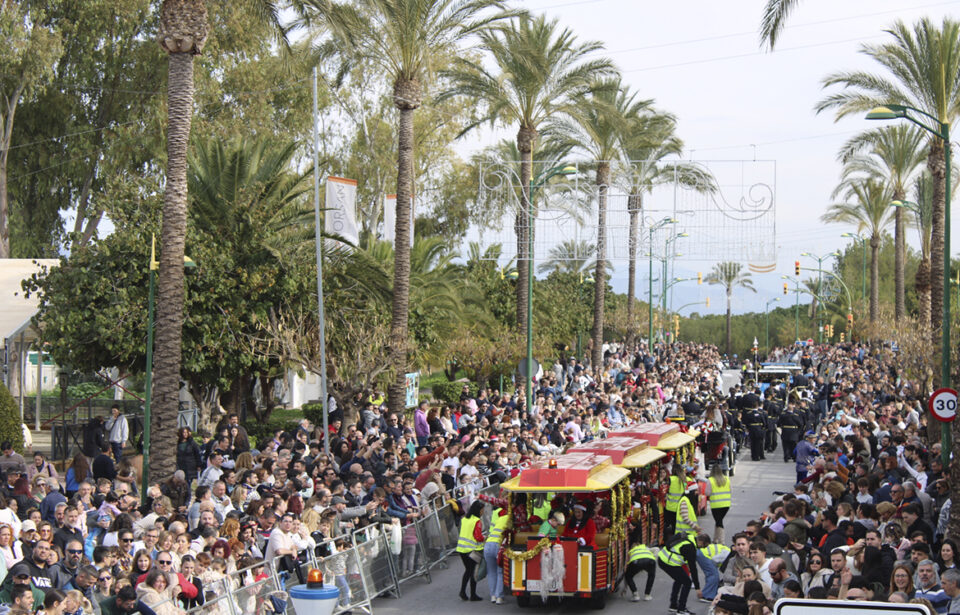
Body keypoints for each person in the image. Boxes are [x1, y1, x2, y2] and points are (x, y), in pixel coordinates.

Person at [658, 531, 700, 615]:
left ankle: (673, 605)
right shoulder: (691, 548)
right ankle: (681, 609)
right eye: (702, 546)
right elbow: (693, 569)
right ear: (701, 542)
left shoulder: (689, 536)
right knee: (687, 582)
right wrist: (697, 587)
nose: (701, 549)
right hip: (668, 562)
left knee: (679, 579)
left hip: (662, 558)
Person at [456, 501, 484, 602]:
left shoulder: (464, 519)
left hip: (462, 549)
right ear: (478, 510)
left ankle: (462, 591)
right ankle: (473, 595)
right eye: (482, 510)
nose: (483, 512)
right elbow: (478, 537)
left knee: (468, 571)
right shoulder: (477, 521)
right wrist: (485, 538)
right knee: (473, 572)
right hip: (472, 550)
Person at [484, 504, 509, 604]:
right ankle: (499, 596)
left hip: (488, 544)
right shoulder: (510, 519)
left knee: (491, 572)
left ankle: (493, 596)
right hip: (498, 545)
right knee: (500, 572)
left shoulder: (500, 518)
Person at [706, 464, 731, 543]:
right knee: (718, 521)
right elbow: (731, 490)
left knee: (719, 522)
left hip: (716, 505)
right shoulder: (726, 479)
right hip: (726, 505)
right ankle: (715, 539)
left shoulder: (710, 480)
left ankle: (722, 541)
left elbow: (707, 493)